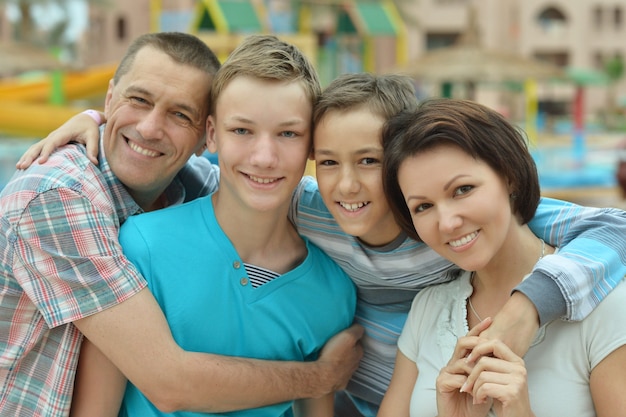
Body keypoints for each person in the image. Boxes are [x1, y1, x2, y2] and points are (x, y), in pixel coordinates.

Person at [18, 74, 626, 417]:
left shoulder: (445, 222)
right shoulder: (309, 209)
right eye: (327, 162)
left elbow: (610, 228)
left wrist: (525, 308)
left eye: (369, 162)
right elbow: (221, 175)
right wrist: (96, 127)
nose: (347, 184)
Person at [0, 32, 363, 417]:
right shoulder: (59, 198)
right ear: (109, 100)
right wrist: (322, 377)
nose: (151, 129)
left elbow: (255, 189)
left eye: (180, 114)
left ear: (200, 136)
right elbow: (167, 381)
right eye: (138, 100)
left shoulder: (185, 185)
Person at [378, 98, 626, 417]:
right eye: (423, 207)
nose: (448, 222)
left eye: (462, 189)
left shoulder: (605, 307)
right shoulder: (429, 308)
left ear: (509, 175)